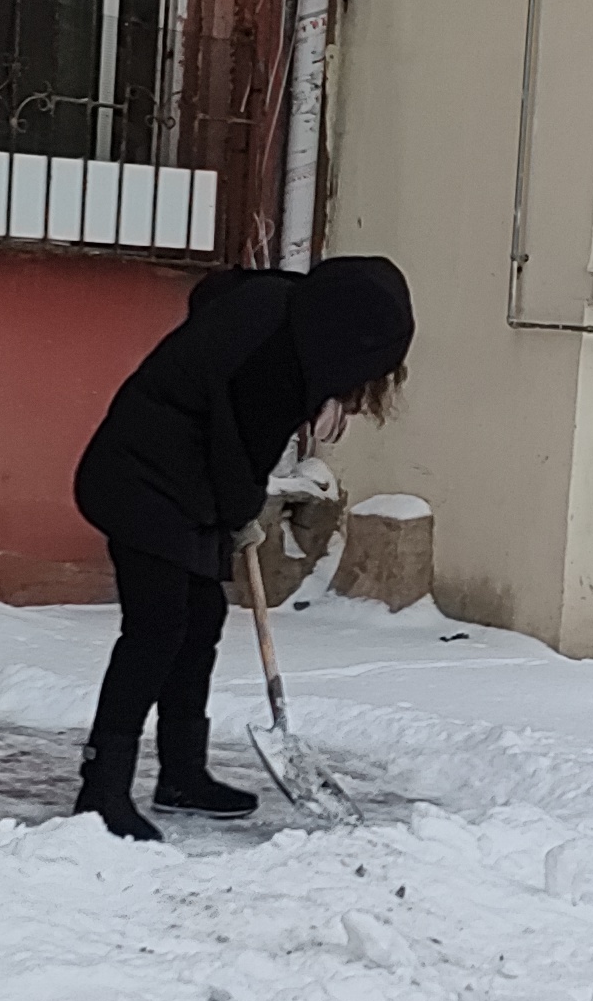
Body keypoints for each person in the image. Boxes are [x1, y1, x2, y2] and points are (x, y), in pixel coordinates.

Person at [68, 256, 412, 840]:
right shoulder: (276, 354)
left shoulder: (284, 316)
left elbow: (232, 442)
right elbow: (238, 444)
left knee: (200, 620)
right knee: (157, 629)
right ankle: (101, 789)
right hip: (141, 478)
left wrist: (236, 509)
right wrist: (242, 514)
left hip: (183, 482)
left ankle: (181, 773)